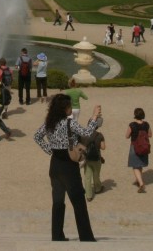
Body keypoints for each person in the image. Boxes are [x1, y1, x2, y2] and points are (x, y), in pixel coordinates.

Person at [33, 93, 101, 242]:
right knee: (79, 203)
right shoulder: (69, 123)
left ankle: (57, 236)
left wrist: (49, 149)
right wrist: (94, 117)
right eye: (70, 106)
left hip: (55, 165)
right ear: (65, 109)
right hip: (69, 167)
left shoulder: (49, 123)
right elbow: (88, 133)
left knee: (58, 203)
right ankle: (86, 237)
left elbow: (37, 136)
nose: (72, 108)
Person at [127, 108, 152, 192]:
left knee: (135, 166)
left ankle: (141, 183)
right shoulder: (146, 124)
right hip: (144, 146)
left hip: (134, 146)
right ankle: (139, 180)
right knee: (140, 164)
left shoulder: (132, 125)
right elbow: (150, 134)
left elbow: (127, 136)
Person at [82, 121, 106, 202]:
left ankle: (88, 195)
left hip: (87, 158)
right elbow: (103, 147)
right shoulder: (99, 135)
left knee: (87, 177)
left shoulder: (84, 135)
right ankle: (98, 188)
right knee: (96, 175)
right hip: (97, 158)